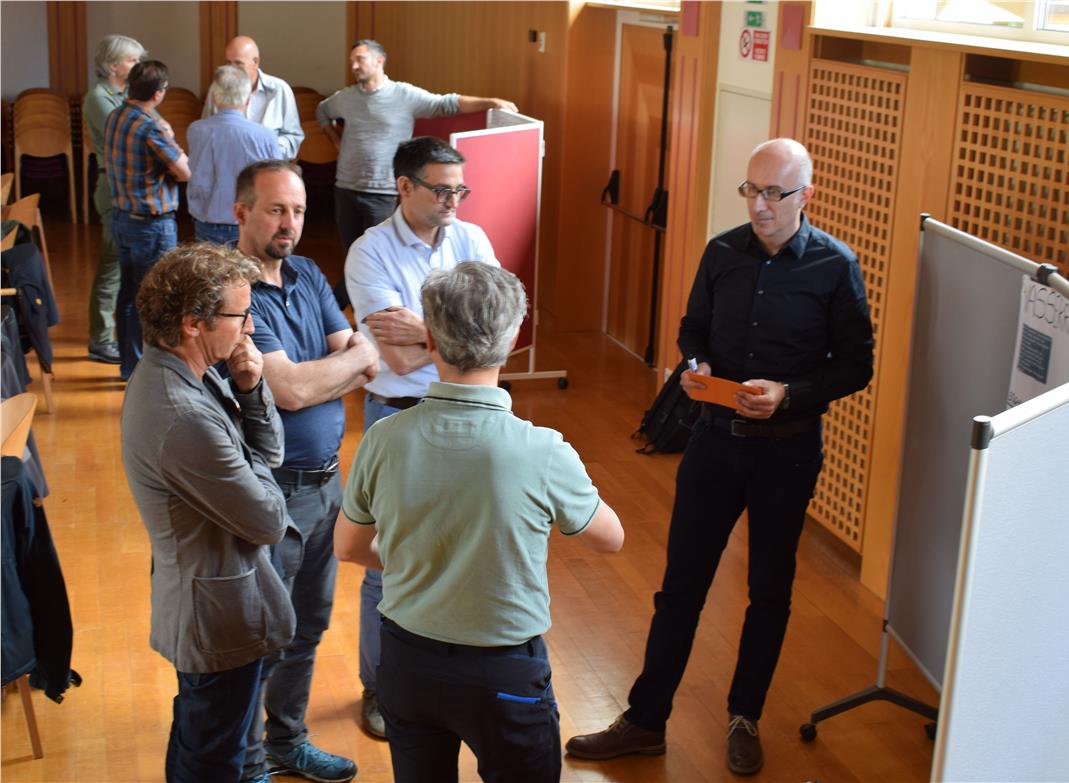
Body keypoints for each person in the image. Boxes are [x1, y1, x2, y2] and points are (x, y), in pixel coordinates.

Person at [564, 138, 875, 776]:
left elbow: (855, 366)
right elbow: (692, 329)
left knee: (769, 591)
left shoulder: (835, 266)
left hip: (788, 453)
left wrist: (789, 392)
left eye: (774, 194)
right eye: (751, 190)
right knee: (681, 587)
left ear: (806, 196)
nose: (759, 206)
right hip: (714, 442)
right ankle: (645, 721)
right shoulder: (722, 251)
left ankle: (744, 716)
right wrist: (697, 363)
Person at [334, 262, 625, 783]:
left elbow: (349, 547)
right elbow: (610, 538)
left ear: (429, 339)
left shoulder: (383, 439)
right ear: (512, 340)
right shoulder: (542, 449)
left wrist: (421, 557)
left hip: (407, 661)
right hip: (504, 670)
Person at [121, 243, 296, 783]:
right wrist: (254, 468)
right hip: (216, 615)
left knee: (200, 739)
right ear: (193, 323)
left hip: (216, 598)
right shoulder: (182, 412)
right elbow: (269, 519)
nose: (250, 327)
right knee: (211, 760)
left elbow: (270, 453)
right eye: (240, 315)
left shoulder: (195, 372)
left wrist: (251, 387)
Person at [343, 136, 498, 739]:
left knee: (471, 551)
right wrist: (460, 335)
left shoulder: (473, 240)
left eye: (461, 189)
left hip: (473, 412)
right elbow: (401, 360)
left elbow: (499, 333)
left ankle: (456, 681)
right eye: (441, 190)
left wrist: (424, 329)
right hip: (399, 414)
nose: (454, 201)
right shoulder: (370, 252)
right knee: (387, 562)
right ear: (404, 187)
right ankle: (380, 688)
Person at [235, 159, 378, 783]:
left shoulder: (310, 272)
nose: (288, 223)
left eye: (296, 210)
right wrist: (342, 366)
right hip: (273, 492)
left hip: (327, 481)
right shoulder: (232, 292)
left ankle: (286, 742)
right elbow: (289, 390)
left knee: (309, 625)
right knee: (264, 632)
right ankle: (246, 763)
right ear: (241, 212)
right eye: (275, 210)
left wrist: (330, 370)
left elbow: (363, 360)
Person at [316, 39, 517, 252]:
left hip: (383, 191)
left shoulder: (404, 95)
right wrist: (336, 141)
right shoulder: (345, 98)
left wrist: (491, 102)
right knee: (351, 251)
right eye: (352, 61)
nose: (354, 66)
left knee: (380, 252)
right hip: (345, 187)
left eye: (360, 59)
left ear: (379, 60)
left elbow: (445, 103)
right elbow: (322, 111)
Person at [104, 60, 191, 381]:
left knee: (128, 295)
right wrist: (169, 133)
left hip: (122, 219)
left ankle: (130, 367)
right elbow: (185, 171)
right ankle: (151, 373)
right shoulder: (152, 127)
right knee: (156, 299)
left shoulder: (115, 116)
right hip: (151, 225)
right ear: (158, 94)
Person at [82, 34, 148, 365]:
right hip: (112, 185)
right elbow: (129, 132)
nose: (138, 65)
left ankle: (120, 331)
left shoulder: (123, 96)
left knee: (126, 263)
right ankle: (100, 338)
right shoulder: (98, 97)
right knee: (112, 261)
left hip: (128, 184)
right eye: (132, 60)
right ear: (112, 66)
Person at [188, 67, 282, 245]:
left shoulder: (196, 130)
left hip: (207, 221)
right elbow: (277, 183)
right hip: (249, 223)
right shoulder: (266, 136)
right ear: (248, 100)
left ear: (214, 97)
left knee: (207, 264)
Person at [203, 35, 304, 160]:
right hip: (228, 164)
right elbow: (206, 131)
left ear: (255, 62)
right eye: (228, 63)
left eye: (238, 63)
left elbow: (293, 138)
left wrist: (264, 150)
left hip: (269, 164)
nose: (231, 70)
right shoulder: (217, 88)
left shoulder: (280, 89)